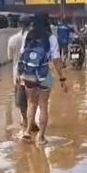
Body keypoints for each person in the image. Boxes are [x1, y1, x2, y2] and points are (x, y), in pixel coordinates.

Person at [17, 13, 68, 144]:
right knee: (43, 105)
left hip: (28, 74)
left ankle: (28, 132)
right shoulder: (51, 38)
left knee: (31, 103)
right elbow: (56, 61)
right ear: (47, 22)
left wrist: (19, 74)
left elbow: (22, 56)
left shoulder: (28, 35)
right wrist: (62, 79)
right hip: (44, 74)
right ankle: (41, 136)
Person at [8, 16, 40, 135]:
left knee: (22, 100)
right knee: (33, 99)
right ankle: (32, 123)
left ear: (19, 24)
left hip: (17, 73)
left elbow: (10, 57)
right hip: (32, 72)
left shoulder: (12, 39)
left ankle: (25, 121)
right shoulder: (35, 39)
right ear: (31, 24)